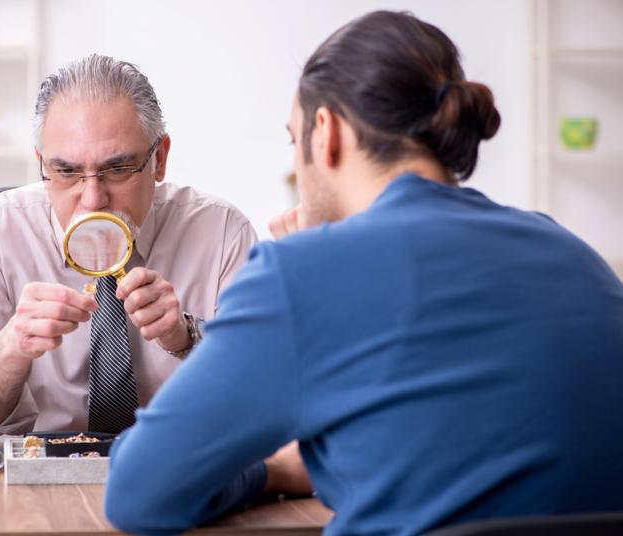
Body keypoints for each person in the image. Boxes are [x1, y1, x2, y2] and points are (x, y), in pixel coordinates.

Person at [105, 10, 623, 535]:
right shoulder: (571, 252)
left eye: (294, 140)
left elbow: (139, 491)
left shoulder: (304, 272)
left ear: (325, 132)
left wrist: (275, 470)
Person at [0, 55, 258, 438]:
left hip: (177, 469)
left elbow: (263, 400)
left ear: (159, 160)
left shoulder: (222, 231)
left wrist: (186, 339)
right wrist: (11, 347)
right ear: (41, 165)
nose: (93, 200)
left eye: (117, 170)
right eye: (66, 172)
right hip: (25, 477)